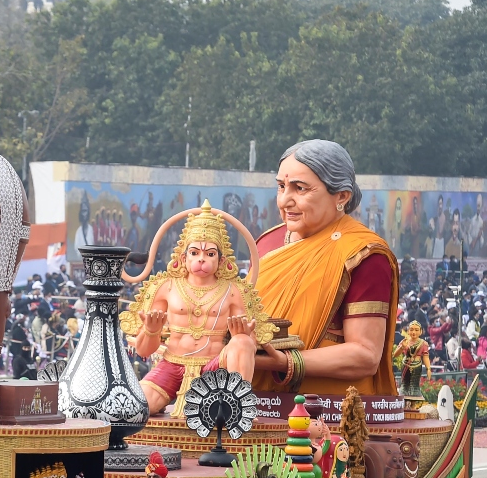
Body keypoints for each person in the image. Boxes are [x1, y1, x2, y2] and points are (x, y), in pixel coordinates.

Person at [252, 140, 398, 396]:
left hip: (330, 414)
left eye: (300, 189)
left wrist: (285, 362)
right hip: (255, 404)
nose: (285, 200)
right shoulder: (266, 244)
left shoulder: (364, 254)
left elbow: (365, 355)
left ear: (341, 196)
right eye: (281, 187)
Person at [120, 201, 266, 417]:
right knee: (135, 408)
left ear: (221, 260)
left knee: (242, 342)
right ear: (183, 257)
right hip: (171, 365)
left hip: (214, 366)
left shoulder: (234, 291)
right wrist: (151, 330)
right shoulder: (165, 287)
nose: (201, 259)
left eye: (210, 254)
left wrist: (243, 336)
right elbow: (142, 351)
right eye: (195, 252)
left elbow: (250, 344)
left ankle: (236, 406)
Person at [392, 321, 430, 398]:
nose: (413, 332)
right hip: (406, 364)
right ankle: (404, 402)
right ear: (408, 331)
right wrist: (402, 347)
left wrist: (428, 368)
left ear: (421, 332)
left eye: (416, 330)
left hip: (417, 365)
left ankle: (413, 405)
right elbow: (395, 355)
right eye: (411, 329)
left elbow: (425, 356)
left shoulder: (423, 344)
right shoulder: (405, 341)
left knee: (415, 386)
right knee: (405, 385)